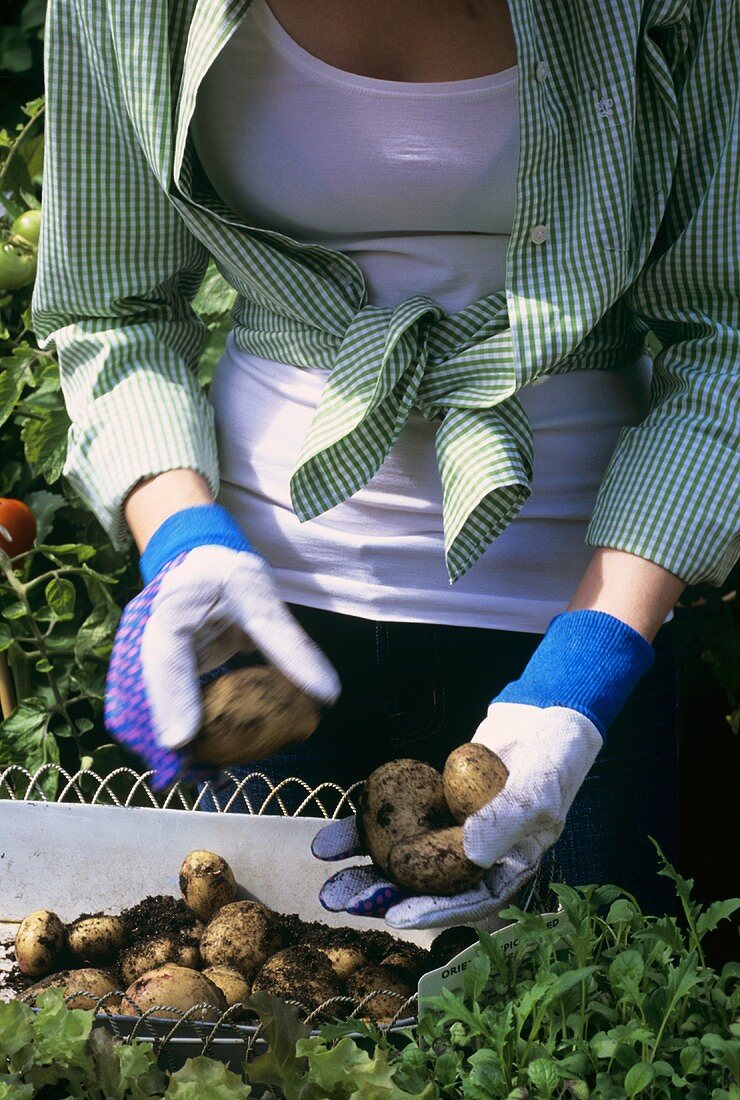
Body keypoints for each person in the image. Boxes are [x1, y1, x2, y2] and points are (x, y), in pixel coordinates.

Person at [31, 0, 738, 928]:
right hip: (266, 629)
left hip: (580, 644)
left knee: (582, 1050)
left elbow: (724, 336)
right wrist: (180, 536)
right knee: (266, 1045)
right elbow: (110, 307)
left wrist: (587, 672)